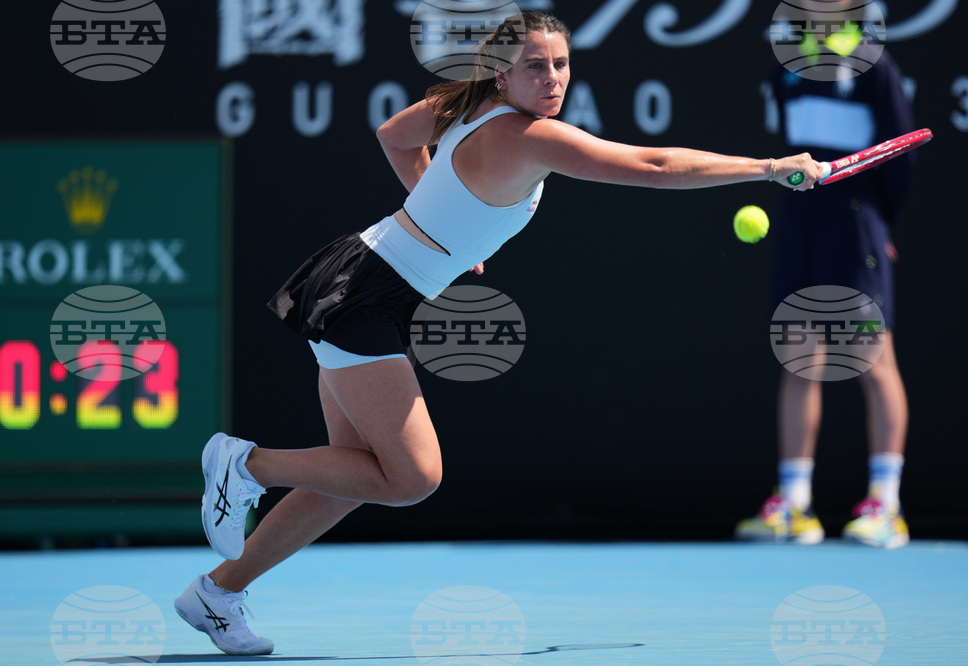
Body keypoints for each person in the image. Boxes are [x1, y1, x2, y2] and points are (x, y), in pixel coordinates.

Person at [174, 12, 823, 656]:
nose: (552, 78)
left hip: (365, 271)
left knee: (352, 476)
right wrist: (767, 167)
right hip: (366, 297)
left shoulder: (460, 104)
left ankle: (218, 592)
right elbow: (652, 165)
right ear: (501, 71)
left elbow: (393, 138)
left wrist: (444, 217)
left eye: (561, 64)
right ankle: (245, 464)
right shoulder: (528, 136)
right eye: (535, 65)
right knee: (412, 478)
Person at [735, 5, 914, 549]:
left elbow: (899, 157)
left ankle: (886, 504)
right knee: (799, 355)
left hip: (854, 222)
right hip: (798, 221)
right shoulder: (784, 64)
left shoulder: (874, 66)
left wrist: (878, 222)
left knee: (870, 359)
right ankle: (794, 504)